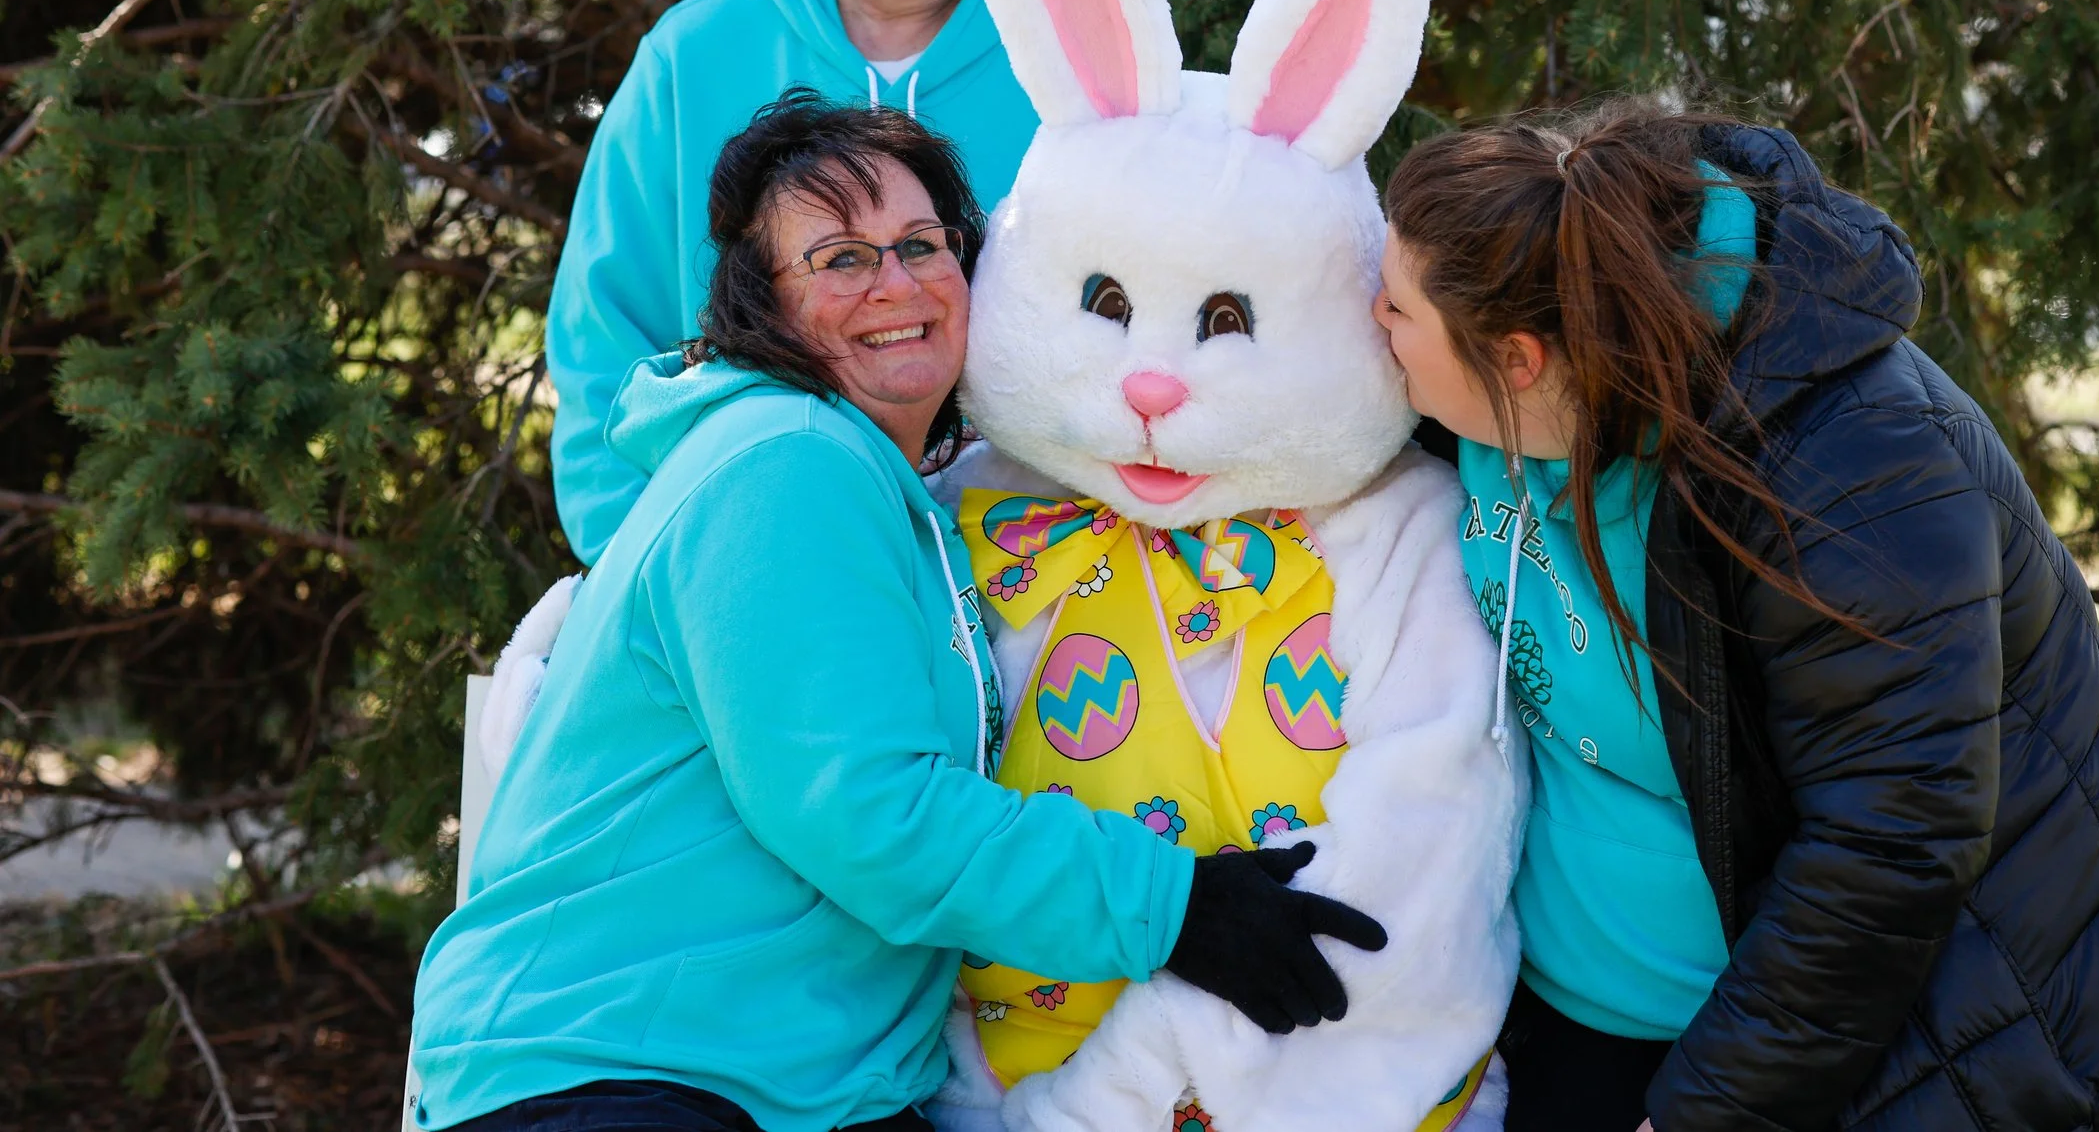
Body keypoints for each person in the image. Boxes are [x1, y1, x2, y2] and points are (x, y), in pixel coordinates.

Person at [410, 94, 1384, 1132]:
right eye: (838, 257)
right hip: (616, 1071)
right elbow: (868, 811)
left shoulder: (891, 486)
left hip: (780, 1081)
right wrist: (1174, 903)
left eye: (922, 243)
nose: (895, 282)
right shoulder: (784, 466)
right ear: (761, 299)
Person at [1372, 97, 2099, 1132]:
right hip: (1574, 1026)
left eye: (1394, 309)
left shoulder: (1852, 466)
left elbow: (1888, 838)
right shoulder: (1487, 405)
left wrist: (1709, 1109)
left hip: (1900, 1045)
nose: (1366, 322)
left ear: (1518, 360)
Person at [550, 0, 1042, 569]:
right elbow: (602, 352)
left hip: (1038, 586)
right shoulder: (690, 61)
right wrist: (649, 575)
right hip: (754, 572)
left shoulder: (1069, 56)